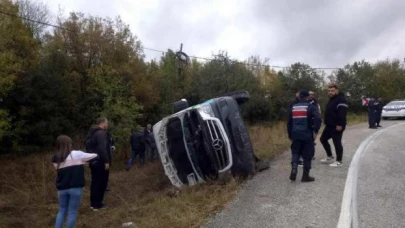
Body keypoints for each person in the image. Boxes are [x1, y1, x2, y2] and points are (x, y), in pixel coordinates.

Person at [52, 135, 98, 228]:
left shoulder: (55, 158)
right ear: (69, 144)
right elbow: (95, 156)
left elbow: (61, 168)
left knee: (62, 210)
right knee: (72, 212)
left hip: (62, 188)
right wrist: (83, 162)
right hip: (75, 187)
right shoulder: (77, 154)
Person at [287, 90, 321, 182]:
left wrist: (290, 135)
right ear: (307, 97)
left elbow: (289, 122)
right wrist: (315, 131)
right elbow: (318, 118)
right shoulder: (310, 106)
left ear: (299, 96)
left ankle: (294, 169)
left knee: (295, 152)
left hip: (295, 134)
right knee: (307, 154)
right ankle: (305, 176)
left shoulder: (293, 107)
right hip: (307, 134)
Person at [320, 84, 348, 167]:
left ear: (337, 90)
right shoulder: (332, 100)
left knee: (337, 143)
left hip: (337, 126)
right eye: (329, 91)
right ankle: (330, 156)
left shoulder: (341, 99)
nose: (330, 92)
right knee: (323, 139)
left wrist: (340, 124)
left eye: (332, 91)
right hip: (329, 126)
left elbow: (342, 113)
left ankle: (339, 161)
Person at [87, 117, 111, 211]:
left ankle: (93, 204)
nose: (107, 125)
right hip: (100, 162)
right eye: (107, 123)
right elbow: (102, 149)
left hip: (93, 161)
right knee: (101, 183)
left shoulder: (92, 133)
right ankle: (98, 204)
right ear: (102, 123)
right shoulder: (101, 134)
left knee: (95, 182)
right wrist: (106, 161)